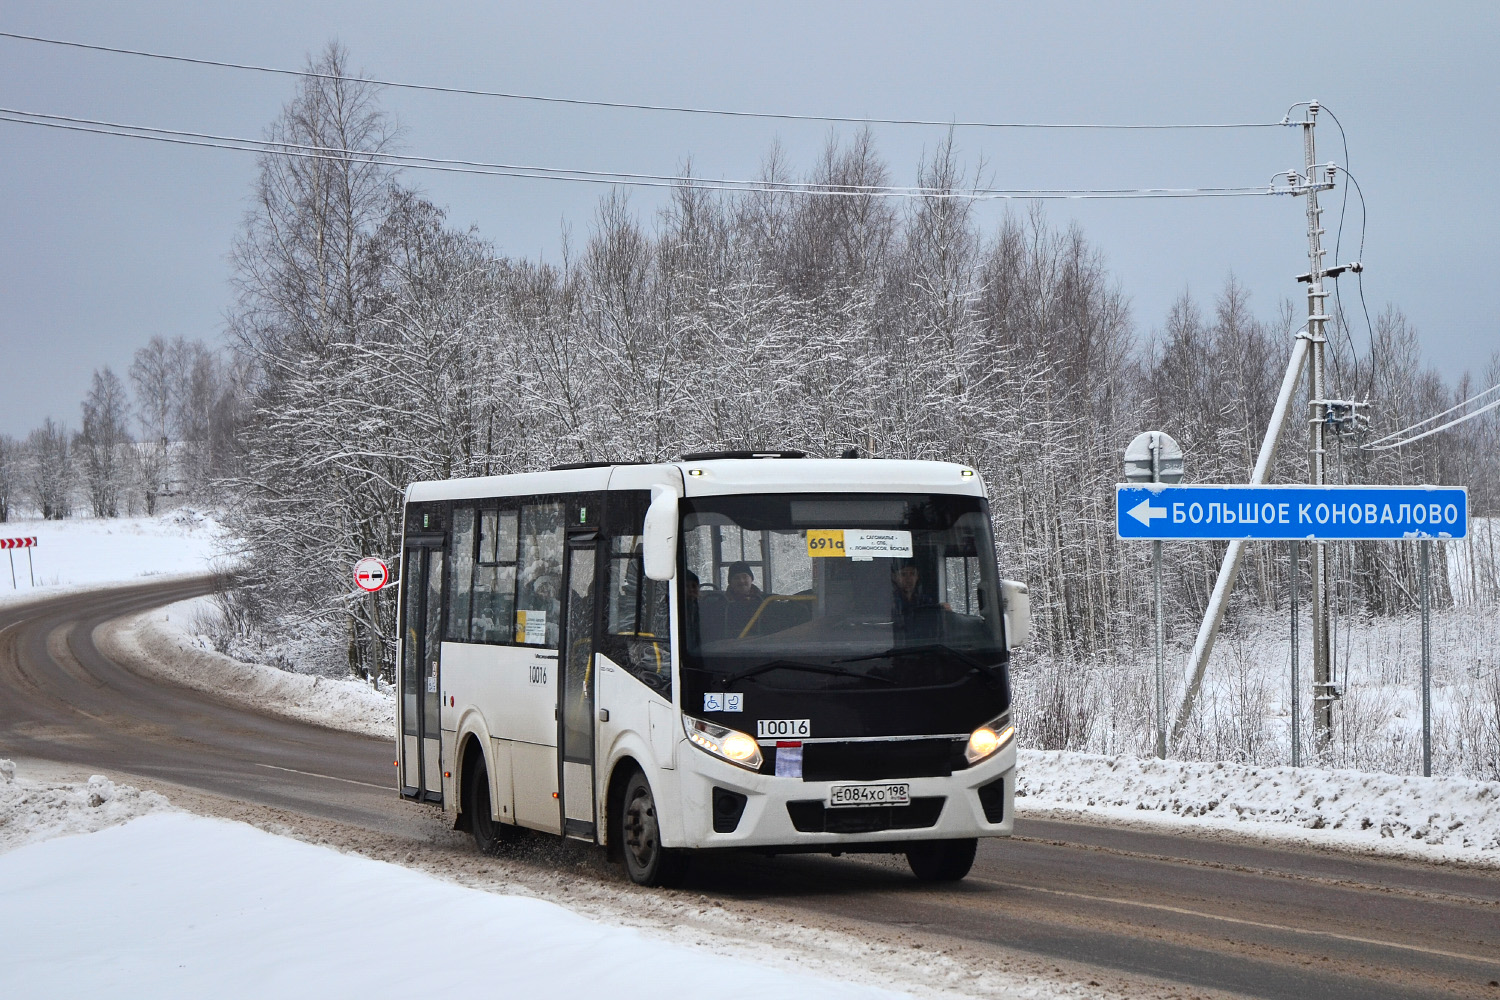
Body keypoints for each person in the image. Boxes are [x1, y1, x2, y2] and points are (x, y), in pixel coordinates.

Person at [891, 560, 947, 639]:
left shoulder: (925, 600)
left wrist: (942, 609)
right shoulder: (889, 601)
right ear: (894, 577)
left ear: (917, 577)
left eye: (912, 574)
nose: (908, 579)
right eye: (903, 574)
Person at [722, 561, 764, 638]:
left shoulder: (766, 600)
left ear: (751, 579)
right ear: (730, 582)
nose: (741, 581)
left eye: (744, 577)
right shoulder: (722, 604)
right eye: (736, 578)